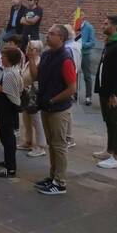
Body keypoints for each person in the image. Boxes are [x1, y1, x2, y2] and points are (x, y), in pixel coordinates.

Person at [29, 24, 77, 195]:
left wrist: (53, 99)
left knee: (59, 145)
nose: (47, 36)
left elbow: (72, 88)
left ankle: (60, 182)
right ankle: (53, 177)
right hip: (46, 106)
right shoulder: (47, 54)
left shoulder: (65, 59)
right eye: (48, 33)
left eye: (51, 34)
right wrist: (31, 58)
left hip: (58, 109)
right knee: (51, 144)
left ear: (61, 38)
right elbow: (36, 76)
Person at [94, 16, 117, 169]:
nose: (103, 25)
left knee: (116, 122)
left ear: (114, 26)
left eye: (106, 23)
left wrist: (116, 94)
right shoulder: (110, 43)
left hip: (113, 92)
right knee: (109, 121)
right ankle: (109, 150)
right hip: (105, 89)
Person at [0, 47, 24, 178]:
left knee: (7, 138)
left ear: (9, 59)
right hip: (5, 109)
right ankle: (8, 161)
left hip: (7, 110)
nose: (1, 58)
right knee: (6, 137)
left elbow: (0, 90)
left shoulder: (10, 74)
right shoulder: (10, 71)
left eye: (3, 56)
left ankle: (10, 168)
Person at [18, 40, 47, 157]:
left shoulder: (39, 61)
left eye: (31, 49)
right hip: (25, 94)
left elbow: (35, 76)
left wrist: (30, 58)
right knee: (26, 118)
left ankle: (41, 146)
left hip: (34, 95)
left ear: (37, 51)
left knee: (36, 120)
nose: (28, 50)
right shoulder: (27, 62)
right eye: (28, 48)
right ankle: (28, 141)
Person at [64, 24, 81, 148]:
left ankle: (69, 137)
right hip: (69, 79)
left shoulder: (71, 48)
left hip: (68, 80)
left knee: (67, 110)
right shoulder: (70, 46)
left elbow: (73, 65)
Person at [78, 11, 97, 106]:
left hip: (85, 54)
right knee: (74, 74)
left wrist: (83, 45)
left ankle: (88, 97)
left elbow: (93, 42)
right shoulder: (74, 27)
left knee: (87, 76)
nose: (78, 17)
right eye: (76, 15)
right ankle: (74, 93)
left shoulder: (89, 27)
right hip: (76, 53)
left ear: (83, 16)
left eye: (80, 15)